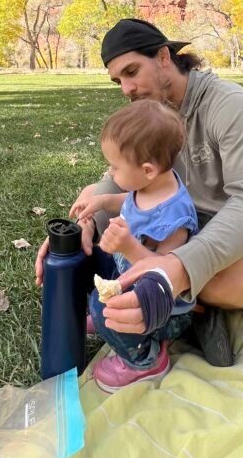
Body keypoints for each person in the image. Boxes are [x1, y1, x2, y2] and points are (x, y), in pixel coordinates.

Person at [35, 17, 243, 369]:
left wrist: (177, 268)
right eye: (118, 80)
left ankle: (178, 304)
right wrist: (83, 224)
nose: (126, 89)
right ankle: (190, 308)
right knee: (97, 199)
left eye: (132, 72)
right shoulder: (149, 115)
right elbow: (117, 178)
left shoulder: (230, 106)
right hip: (177, 232)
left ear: (164, 56)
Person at [77, 100, 198, 391]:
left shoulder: (174, 217)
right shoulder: (147, 187)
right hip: (128, 275)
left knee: (100, 304)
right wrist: (104, 201)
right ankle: (111, 322)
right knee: (91, 259)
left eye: (115, 167)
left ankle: (145, 359)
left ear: (147, 170)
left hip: (163, 310)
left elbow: (166, 275)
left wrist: (129, 246)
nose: (110, 173)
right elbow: (131, 204)